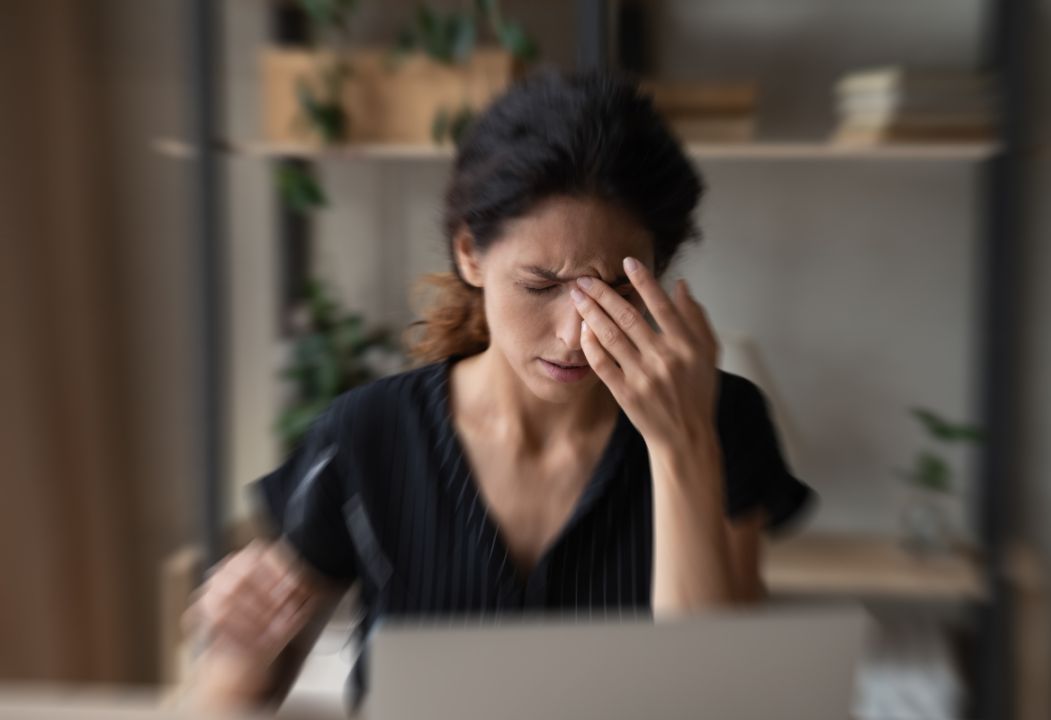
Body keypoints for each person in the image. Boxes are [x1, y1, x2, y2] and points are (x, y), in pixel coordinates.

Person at [184, 68, 815, 713]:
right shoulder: (366, 434)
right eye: (541, 285)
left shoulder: (720, 420)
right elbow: (233, 695)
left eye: (618, 291)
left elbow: (722, 701)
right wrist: (237, 646)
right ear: (470, 254)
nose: (575, 336)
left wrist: (682, 449)